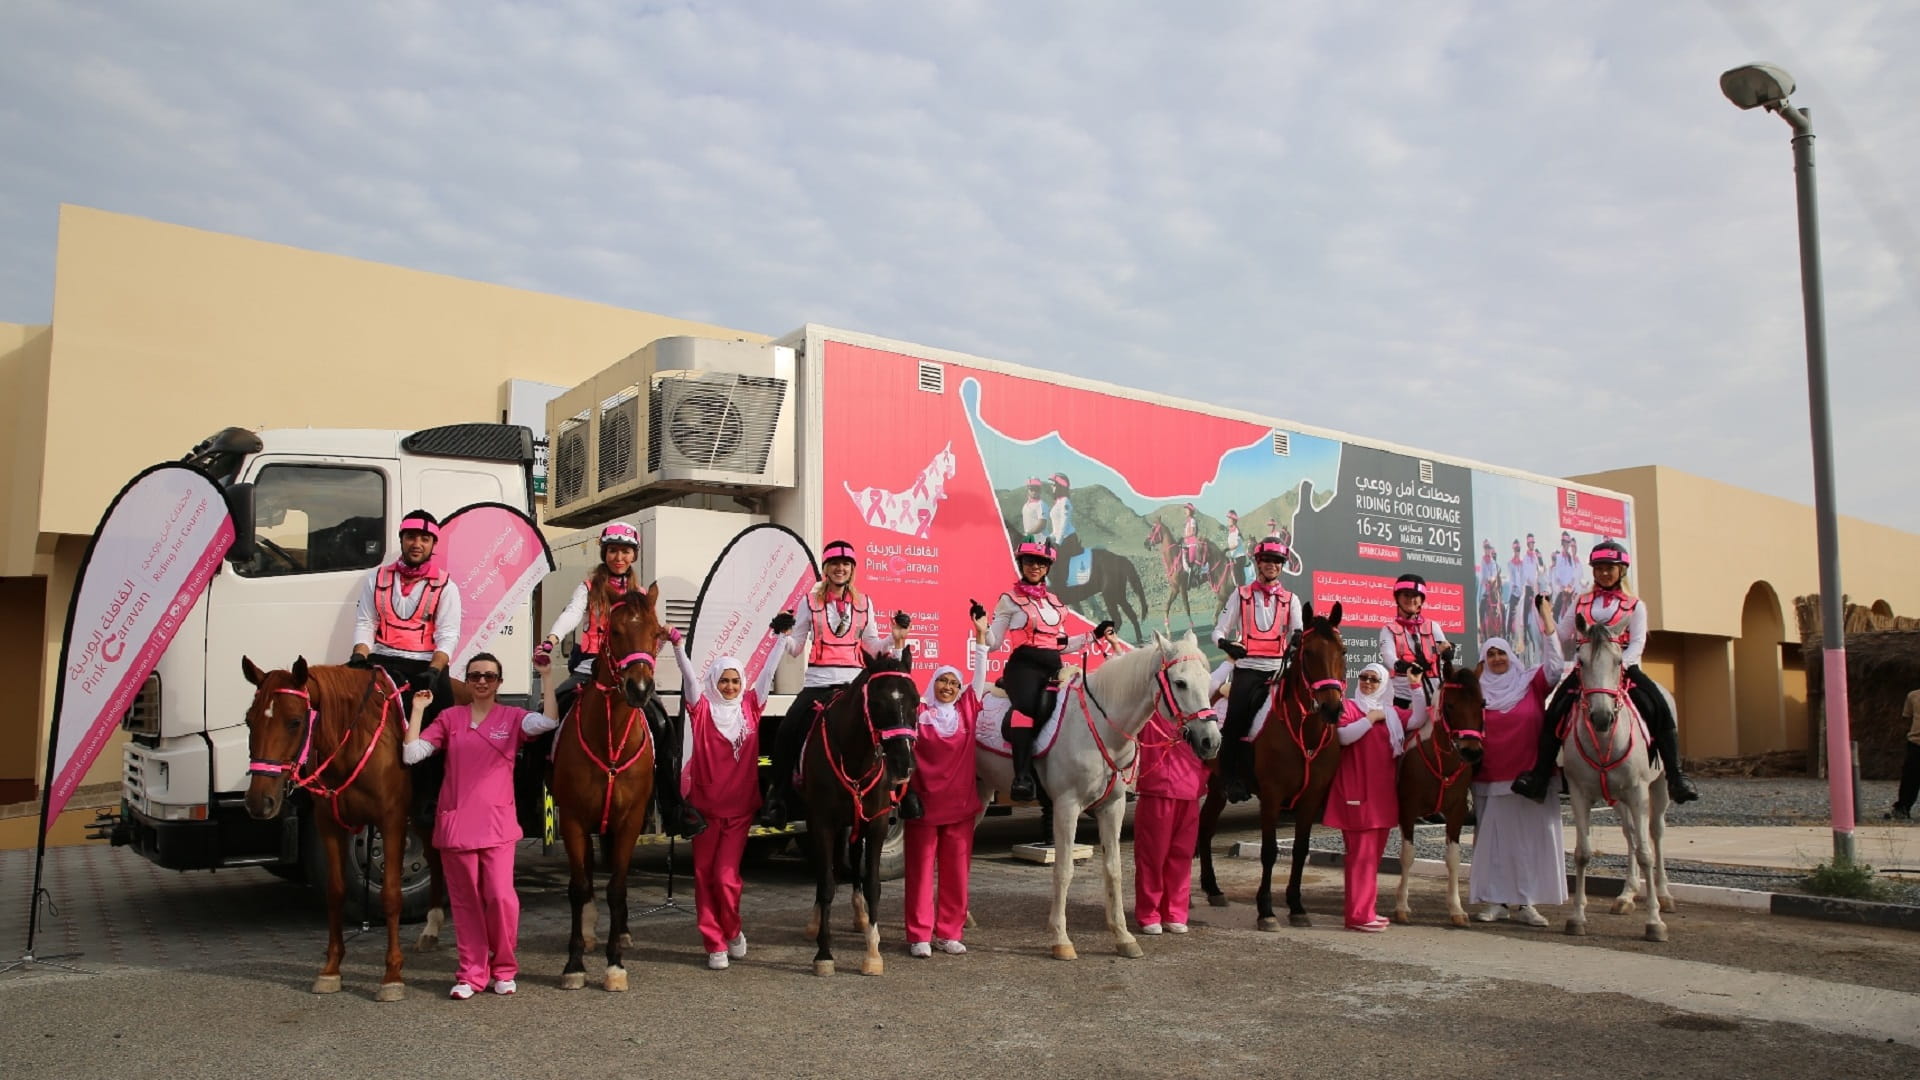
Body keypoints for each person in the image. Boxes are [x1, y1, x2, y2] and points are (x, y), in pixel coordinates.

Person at [401, 652, 559, 999]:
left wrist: (546, 677)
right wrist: (417, 710)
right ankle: (471, 974)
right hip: (457, 825)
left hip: (497, 826)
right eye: (475, 676)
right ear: (468, 681)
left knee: (501, 898)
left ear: (499, 682)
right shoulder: (449, 718)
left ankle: (504, 967)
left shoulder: (513, 718)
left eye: (489, 676)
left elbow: (548, 722)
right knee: (466, 903)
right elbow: (411, 754)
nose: (482, 681)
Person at [1511, 539, 1699, 804]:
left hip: (1624, 668)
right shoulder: (1581, 601)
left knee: (1659, 706)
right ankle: (1540, 775)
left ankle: (1676, 777)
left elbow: (1637, 644)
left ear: (1621, 571)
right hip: (1587, 672)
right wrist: (1546, 615)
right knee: (1553, 712)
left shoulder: (1635, 605)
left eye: (1609, 568)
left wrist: (1617, 667)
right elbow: (1562, 634)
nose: (1603, 573)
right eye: (1598, 568)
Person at [761, 539, 910, 827]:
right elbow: (795, 648)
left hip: (853, 683)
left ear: (852, 569)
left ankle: (904, 791)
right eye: (834, 564)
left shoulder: (865, 603)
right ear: (825, 568)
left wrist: (894, 637)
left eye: (845, 564)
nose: (840, 569)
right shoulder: (809, 602)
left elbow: (873, 646)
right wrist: (781, 634)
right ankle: (777, 797)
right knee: (787, 730)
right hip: (818, 682)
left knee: (893, 724)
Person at [671, 630, 780, 970]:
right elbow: (689, 680)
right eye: (724, 681)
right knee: (704, 876)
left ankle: (731, 930)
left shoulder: (751, 706)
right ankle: (714, 943)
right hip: (704, 810)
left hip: (738, 810)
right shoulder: (701, 709)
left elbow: (768, 673)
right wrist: (678, 646)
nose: (730, 686)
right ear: (714, 682)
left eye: (735, 681)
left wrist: (780, 638)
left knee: (725, 877)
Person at [983, 541, 1116, 801]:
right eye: (1029, 561)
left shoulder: (1055, 602)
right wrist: (981, 629)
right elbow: (994, 642)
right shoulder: (1009, 600)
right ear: (1021, 564)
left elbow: (1060, 644)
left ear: (1047, 568)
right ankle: (1022, 776)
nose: (1035, 566)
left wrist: (1094, 634)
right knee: (1027, 708)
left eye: (1041, 563)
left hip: (1054, 666)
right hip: (1024, 667)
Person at [1469, 597, 1567, 927]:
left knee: (1528, 843)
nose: (1497, 659)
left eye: (1501, 653)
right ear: (1484, 660)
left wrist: (1547, 622)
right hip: (1490, 778)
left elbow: (1556, 666)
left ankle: (1527, 904)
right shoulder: (1476, 693)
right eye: (1490, 654)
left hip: (1529, 779)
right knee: (1494, 844)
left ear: (1511, 655)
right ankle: (1495, 902)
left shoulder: (1531, 682)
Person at [904, 615, 990, 957]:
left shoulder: (967, 710)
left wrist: (980, 637)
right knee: (921, 873)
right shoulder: (917, 712)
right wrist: (898, 643)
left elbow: (979, 677)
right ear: (933, 683)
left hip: (960, 809)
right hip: (924, 808)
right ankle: (919, 936)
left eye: (955, 683)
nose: (949, 688)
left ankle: (949, 933)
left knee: (956, 874)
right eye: (943, 681)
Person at [1212, 536, 1304, 803]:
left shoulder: (1291, 599)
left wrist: (1297, 640)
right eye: (1267, 560)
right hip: (1249, 669)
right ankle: (1230, 778)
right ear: (1258, 562)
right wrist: (1225, 644)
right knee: (1235, 722)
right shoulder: (1240, 594)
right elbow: (1219, 630)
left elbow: (1298, 630)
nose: (1272, 565)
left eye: (1277, 561)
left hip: (1279, 671)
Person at [1324, 663, 1412, 932]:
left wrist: (1416, 684)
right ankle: (1358, 916)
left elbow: (1420, 716)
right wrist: (1370, 719)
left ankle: (1366, 910)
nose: (1368, 682)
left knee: (1371, 859)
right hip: (1356, 794)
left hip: (1381, 799)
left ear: (1383, 684)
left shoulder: (1391, 714)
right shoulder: (1348, 707)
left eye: (1374, 679)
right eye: (1364, 677)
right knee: (1360, 858)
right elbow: (1343, 736)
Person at [349, 509, 463, 715]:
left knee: (441, 716)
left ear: (433, 544)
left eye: (425, 539)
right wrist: (359, 657)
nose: (417, 544)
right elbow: (366, 622)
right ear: (401, 539)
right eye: (410, 537)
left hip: (425, 664)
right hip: (382, 658)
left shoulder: (446, 586)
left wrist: (435, 670)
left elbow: (448, 635)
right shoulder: (375, 578)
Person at [1132, 656, 1212, 936]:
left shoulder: (1196, 709)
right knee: (1152, 856)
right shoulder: (1153, 710)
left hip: (1190, 791)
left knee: (1182, 855)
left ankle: (1175, 912)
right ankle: (1149, 912)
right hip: (1158, 791)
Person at [536, 522, 641, 719]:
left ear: (634, 555)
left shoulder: (640, 594)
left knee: (660, 718)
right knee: (548, 710)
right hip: (591, 666)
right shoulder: (588, 588)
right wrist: (551, 639)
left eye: (626, 551)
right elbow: (572, 613)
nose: (619, 558)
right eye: (612, 550)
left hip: (629, 668)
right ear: (604, 553)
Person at [1377, 573, 1452, 703]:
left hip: (1434, 696)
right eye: (1406, 595)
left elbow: (1443, 647)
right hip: (1404, 697)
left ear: (1421, 600)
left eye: (1415, 596)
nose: (1411, 599)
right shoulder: (1388, 629)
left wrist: (1448, 651)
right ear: (1397, 598)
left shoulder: (1433, 626)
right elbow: (1389, 657)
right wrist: (1402, 665)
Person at [1889, 688, 1920, 821]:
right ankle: (1902, 808)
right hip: (1916, 742)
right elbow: (1907, 717)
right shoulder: (1913, 696)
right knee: (1910, 778)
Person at [1020, 477, 1047, 543]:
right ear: (1028, 489)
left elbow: (1042, 525)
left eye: (1037, 489)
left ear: (1040, 490)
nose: (1034, 491)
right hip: (1030, 539)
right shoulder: (1025, 505)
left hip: (1041, 541)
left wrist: (1028, 533)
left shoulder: (1041, 505)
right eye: (1032, 489)